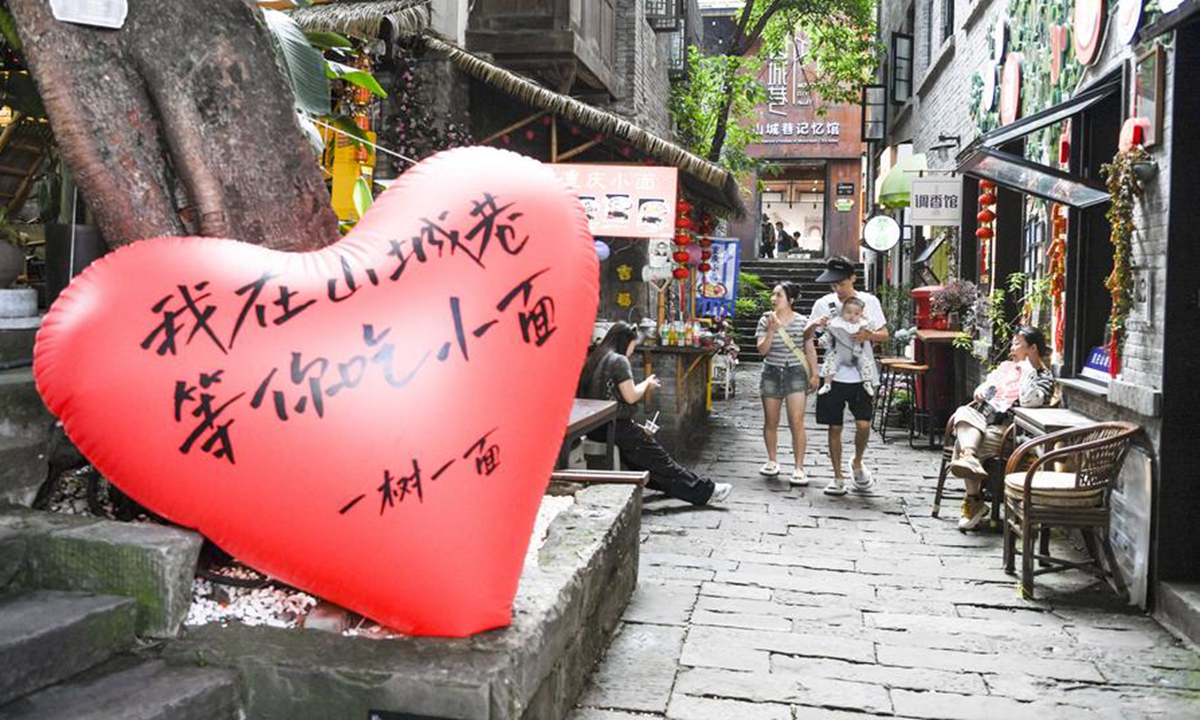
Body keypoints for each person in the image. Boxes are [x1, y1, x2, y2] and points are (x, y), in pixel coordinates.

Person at [579, 322, 732, 506]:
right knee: (661, 461)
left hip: (595, 427)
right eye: (633, 346)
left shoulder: (595, 358)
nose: (632, 351)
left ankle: (679, 488)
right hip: (615, 429)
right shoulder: (618, 360)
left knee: (647, 462)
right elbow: (631, 396)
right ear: (626, 342)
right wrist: (647, 383)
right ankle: (706, 491)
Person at [948, 326, 1055, 531]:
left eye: (1017, 344)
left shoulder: (1043, 376)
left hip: (1006, 429)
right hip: (982, 419)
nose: (1012, 348)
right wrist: (982, 390)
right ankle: (970, 460)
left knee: (963, 441)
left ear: (1032, 348)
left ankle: (973, 501)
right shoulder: (1008, 368)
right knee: (963, 411)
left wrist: (1027, 372)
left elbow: (1029, 401)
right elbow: (990, 388)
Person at [804, 256, 889, 496]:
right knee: (834, 427)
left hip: (862, 375)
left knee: (864, 424)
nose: (837, 289)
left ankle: (857, 461)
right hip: (834, 374)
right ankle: (837, 476)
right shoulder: (824, 304)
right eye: (833, 285)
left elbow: (884, 333)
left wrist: (867, 336)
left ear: (853, 277)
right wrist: (815, 327)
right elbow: (808, 335)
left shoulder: (869, 301)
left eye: (841, 283)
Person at [755, 281, 820, 485]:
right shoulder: (766, 320)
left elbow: (809, 348)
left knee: (797, 421)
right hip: (771, 372)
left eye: (779, 295)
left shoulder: (803, 322)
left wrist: (815, 374)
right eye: (773, 294)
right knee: (771, 421)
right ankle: (772, 460)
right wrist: (772, 331)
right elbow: (762, 350)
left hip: (796, 373)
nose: (773, 299)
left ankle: (799, 468)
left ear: (790, 300)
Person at [816, 296, 878, 397]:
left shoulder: (862, 324)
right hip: (839, 352)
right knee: (830, 362)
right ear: (843, 311)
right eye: (848, 312)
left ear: (861, 314)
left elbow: (872, 326)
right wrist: (822, 340)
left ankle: (867, 382)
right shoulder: (836, 323)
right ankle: (827, 384)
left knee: (866, 364)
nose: (852, 316)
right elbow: (828, 333)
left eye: (856, 314)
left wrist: (866, 318)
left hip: (856, 352)